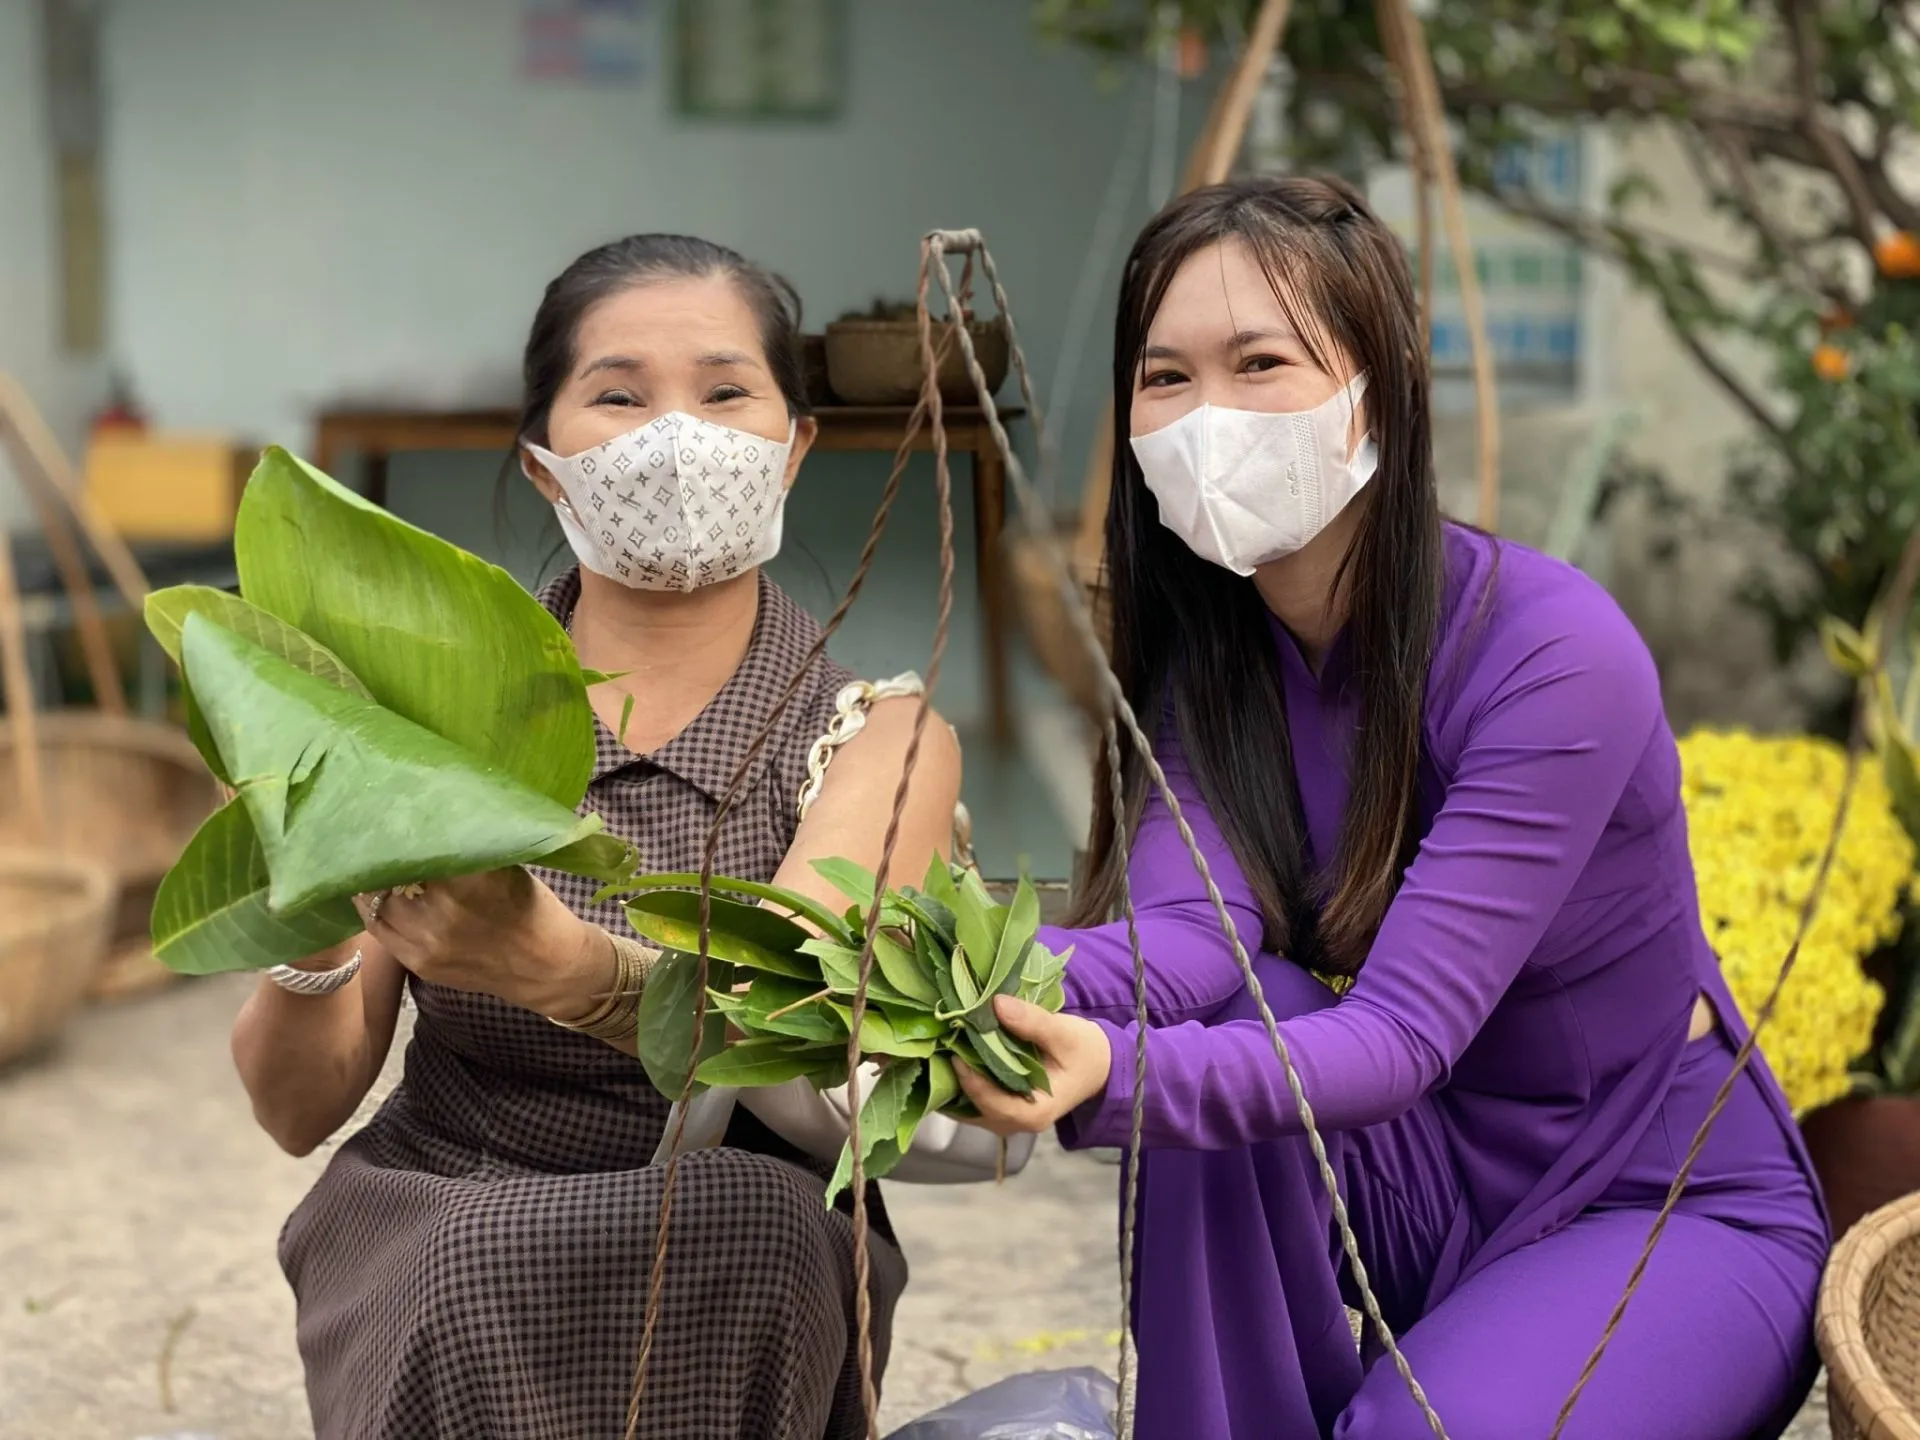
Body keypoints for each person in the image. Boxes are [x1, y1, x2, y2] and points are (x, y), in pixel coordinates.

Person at [956, 176, 1828, 1440]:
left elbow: (1403, 1037)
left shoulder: (1552, 653)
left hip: (1651, 1202)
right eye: (1165, 378)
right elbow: (1184, 949)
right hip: (1414, 1184)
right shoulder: (1218, 671)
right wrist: (948, 969)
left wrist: (1107, 1073)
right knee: (1226, 1027)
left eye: (1261, 363)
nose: (1208, 416)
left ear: (1381, 383)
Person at [232, 234, 962, 1439]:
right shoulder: (427, 717)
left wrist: (574, 971)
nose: (675, 436)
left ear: (796, 450)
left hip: (743, 1219)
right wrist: (303, 894)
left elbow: (812, 1045)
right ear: (543, 466)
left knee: (757, 1221)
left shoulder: (877, 737)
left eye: (727, 392)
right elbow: (296, 1111)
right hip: (439, 1201)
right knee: (462, 1256)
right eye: (617, 395)